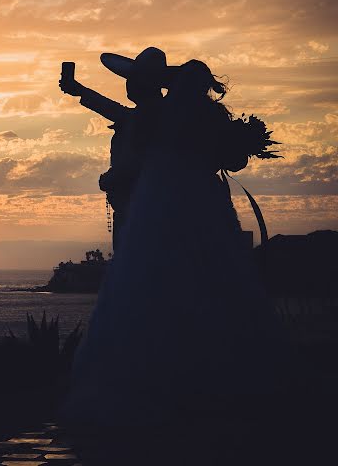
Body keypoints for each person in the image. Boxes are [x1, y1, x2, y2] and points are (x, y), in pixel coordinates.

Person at [60, 58, 290, 426]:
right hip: (204, 203)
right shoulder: (203, 118)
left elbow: (138, 141)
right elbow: (232, 159)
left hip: (163, 205)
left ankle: (156, 375)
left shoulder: (157, 117)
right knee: (211, 280)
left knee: (155, 282)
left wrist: (113, 177)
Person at [59, 47, 168, 250]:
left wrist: (114, 178)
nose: (128, 84)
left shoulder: (152, 115)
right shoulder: (149, 113)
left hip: (142, 212)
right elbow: (119, 113)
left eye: (133, 78)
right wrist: (80, 90)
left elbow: (142, 163)